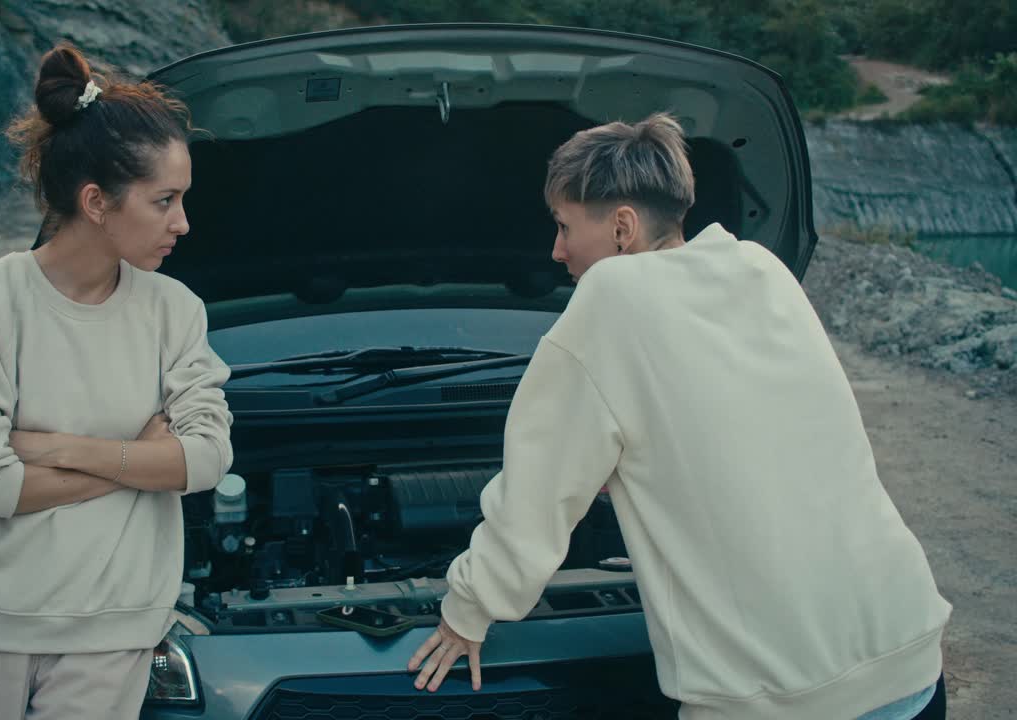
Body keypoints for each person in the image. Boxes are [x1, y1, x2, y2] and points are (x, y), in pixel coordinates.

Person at [406, 114, 952, 720]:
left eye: (564, 226)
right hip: (907, 659)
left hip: (777, 699)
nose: (555, 250)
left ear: (622, 228)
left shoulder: (611, 299)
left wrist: (468, 610)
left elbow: (536, 498)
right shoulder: (762, 270)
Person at [0, 44, 232, 719]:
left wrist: (55, 448)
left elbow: (206, 458)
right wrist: (137, 460)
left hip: (113, 623)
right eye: (164, 200)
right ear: (95, 201)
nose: (183, 222)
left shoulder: (175, 312)